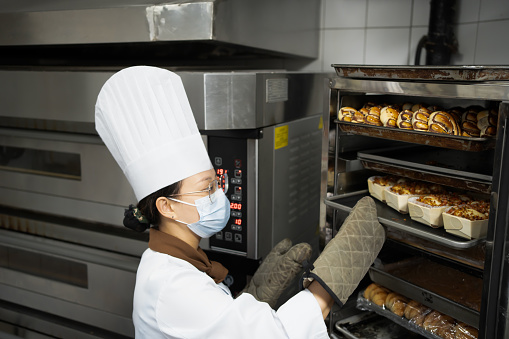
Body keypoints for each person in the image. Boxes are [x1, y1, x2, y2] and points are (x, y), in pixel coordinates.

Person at [95, 66, 385, 338]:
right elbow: (280, 335)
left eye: (216, 183)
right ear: (167, 206)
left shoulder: (176, 260)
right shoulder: (171, 287)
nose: (219, 195)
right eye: (207, 189)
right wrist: (334, 278)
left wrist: (250, 300)